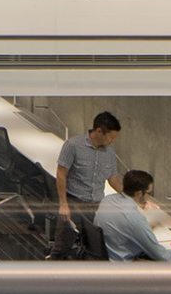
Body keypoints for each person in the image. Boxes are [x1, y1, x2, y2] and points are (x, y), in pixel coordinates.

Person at [50, 110, 122, 257]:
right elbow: (61, 174)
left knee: (94, 248)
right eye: (111, 137)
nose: (112, 141)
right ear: (99, 131)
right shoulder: (73, 145)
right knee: (62, 247)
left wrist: (131, 196)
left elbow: (113, 178)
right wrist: (63, 204)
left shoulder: (109, 152)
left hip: (96, 206)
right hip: (74, 202)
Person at [95, 170, 171, 262]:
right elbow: (162, 256)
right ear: (139, 193)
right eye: (149, 193)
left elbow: (126, 226)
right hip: (122, 265)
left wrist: (147, 225)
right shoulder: (135, 219)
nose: (149, 196)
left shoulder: (108, 200)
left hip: (107, 256)